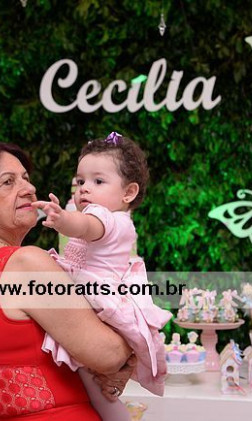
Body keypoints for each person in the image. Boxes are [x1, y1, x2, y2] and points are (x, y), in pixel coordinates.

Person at [0, 136, 136, 421]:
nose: (29, 189)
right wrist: (135, 344)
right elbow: (108, 355)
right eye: (8, 182)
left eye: (26, 178)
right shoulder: (24, 264)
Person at [32, 132, 172, 421]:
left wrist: (63, 220)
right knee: (93, 384)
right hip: (93, 295)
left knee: (94, 384)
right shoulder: (114, 217)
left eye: (98, 181)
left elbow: (85, 226)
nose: (84, 188)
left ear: (128, 193)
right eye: (80, 181)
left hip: (96, 300)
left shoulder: (107, 218)